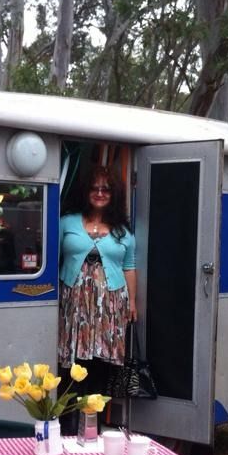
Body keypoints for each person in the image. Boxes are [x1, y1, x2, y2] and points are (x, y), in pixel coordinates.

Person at [58, 165, 137, 428]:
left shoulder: (123, 232)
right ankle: (67, 425)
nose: (100, 193)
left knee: (100, 366)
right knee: (72, 365)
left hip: (110, 306)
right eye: (95, 188)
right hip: (74, 305)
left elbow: (129, 267)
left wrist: (133, 304)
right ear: (86, 191)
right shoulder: (67, 222)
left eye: (106, 189)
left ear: (113, 194)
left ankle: (92, 428)